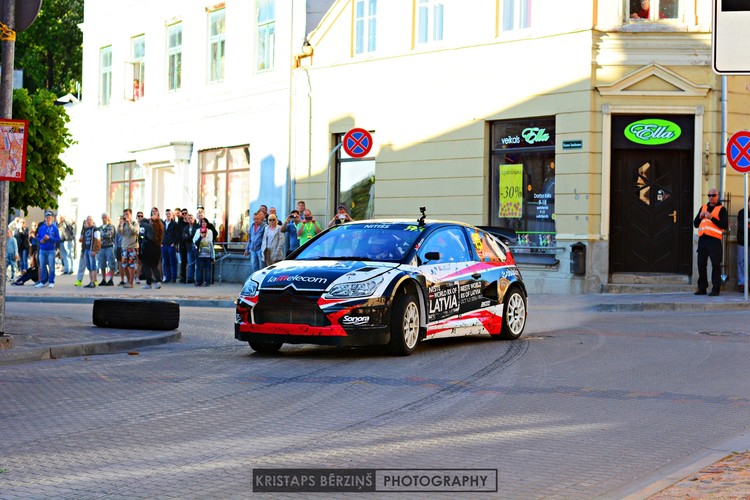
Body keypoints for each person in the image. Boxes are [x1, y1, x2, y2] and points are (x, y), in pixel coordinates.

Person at [694, 188, 728, 296]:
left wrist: (711, 217)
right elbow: (695, 224)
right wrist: (700, 217)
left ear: (717, 196)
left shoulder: (722, 209)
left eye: (713, 195)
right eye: (709, 195)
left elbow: (724, 225)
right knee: (701, 264)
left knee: (715, 265)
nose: (711, 197)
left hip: (714, 241)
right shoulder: (703, 207)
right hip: (703, 240)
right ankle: (702, 288)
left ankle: (716, 289)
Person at [36, 211, 61, 289]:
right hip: (42, 249)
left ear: (52, 218)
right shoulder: (41, 227)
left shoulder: (55, 228)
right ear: (45, 219)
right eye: (47, 217)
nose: (48, 219)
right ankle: (43, 281)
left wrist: (49, 238)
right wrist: (41, 240)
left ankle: (51, 281)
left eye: (50, 217)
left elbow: (58, 239)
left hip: (51, 250)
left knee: (51, 266)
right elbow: (38, 237)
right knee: (42, 266)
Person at [141, 207, 164, 289]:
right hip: (157, 247)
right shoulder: (161, 225)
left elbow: (142, 221)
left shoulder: (150, 227)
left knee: (147, 265)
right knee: (154, 266)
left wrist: (149, 218)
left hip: (149, 247)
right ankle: (158, 282)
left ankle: (148, 283)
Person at [118, 208, 139, 288]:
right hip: (124, 247)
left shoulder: (134, 223)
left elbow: (136, 232)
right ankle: (128, 280)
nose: (125, 216)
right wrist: (120, 225)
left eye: (127, 214)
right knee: (124, 265)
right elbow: (120, 232)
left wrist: (129, 223)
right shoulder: (123, 223)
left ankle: (131, 282)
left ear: (131, 215)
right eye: (124, 214)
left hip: (132, 247)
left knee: (132, 265)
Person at [80, 215, 101, 288]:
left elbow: (98, 240)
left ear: (92, 221)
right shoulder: (85, 229)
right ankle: (91, 281)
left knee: (93, 266)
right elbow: (83, 241)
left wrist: (95, 250)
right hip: (86, 249)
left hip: (92, 250)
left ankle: (93, 282)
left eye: (90, 220)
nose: (88, 221)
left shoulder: (95, 229)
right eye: (87, 220)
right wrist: (82, 251)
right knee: (89, 267)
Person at [193, 219, 215, 286]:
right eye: (202, 222)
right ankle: (199, 281)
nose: (203, 223)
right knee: (199, 268)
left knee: (208, 269)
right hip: (200, 254)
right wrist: (200, 237)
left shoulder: (210, 231)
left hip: (207, 254)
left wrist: (213, 256)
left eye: (205, 222)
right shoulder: (197, 231)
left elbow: (210, 243)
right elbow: (195, 241)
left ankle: (207, 282)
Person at [98, 213, 117, 286]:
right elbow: (97, 237)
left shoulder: (111, 226)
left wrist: (101, 234)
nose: (104, 218)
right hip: (101, 248)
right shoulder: (99, 228)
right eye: (103, 217)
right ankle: (103, 279)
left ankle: (111, 279)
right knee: (102, 264)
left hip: (109, 246)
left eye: (105, 217)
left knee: (111, 263)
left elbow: (109, 235)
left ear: (108, 218)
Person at [161, 208, 179, 283]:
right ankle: (167, 277)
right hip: (164, 244)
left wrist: (174, 243)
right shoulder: (163, 223)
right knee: (165, 262)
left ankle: (173, 277)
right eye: (167, 214)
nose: (168, 215)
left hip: (171, 245)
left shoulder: (175, 224)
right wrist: (161, 242)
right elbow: (160, 233)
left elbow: (177, 234)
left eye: (169, 214)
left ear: (172, 215)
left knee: (172, 261)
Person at [737, 197, 750, 292]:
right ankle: (742, 283)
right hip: (743, 242)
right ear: (748, 202)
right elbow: (742, 227)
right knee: (742, 262)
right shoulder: (742, 213)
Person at [182, 213, 199, 284]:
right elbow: (184, 237)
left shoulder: (197, 227)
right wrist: (189, 237)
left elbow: (196, 236)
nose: (190, 220)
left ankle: (197, 278)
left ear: (194, 219)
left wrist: (188, 236)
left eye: (191, 218)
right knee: (190, 262)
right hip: (189, 247)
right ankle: (190, 278)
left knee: (197, 263)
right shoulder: (185, 228)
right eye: (188, 218)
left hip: (196, 246)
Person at [177, 208, 188, 282]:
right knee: (183, 261)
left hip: (189, 244)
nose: (184, 215)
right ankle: (183, 277)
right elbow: (178, 234)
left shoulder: (190, 222)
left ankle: (189, 277)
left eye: (185, 213)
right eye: (183, 213)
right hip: (182, 244)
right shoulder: (179, 223)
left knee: (190, 261)